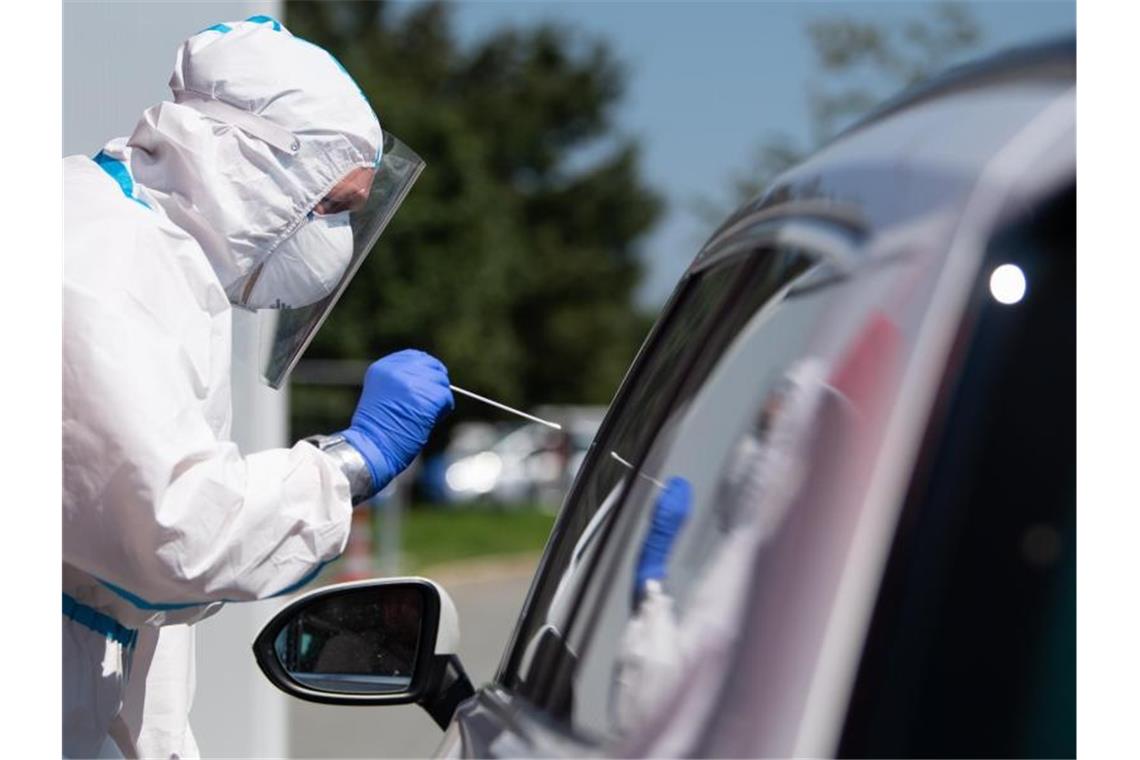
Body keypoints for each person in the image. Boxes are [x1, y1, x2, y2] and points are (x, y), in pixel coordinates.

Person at [63, 17, 452, 758]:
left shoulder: (155, 257)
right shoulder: (96, 259)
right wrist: (353, 460)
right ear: (256, 164)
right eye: (334, 205)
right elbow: (174, 532)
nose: (338, 238)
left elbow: (125, 605)